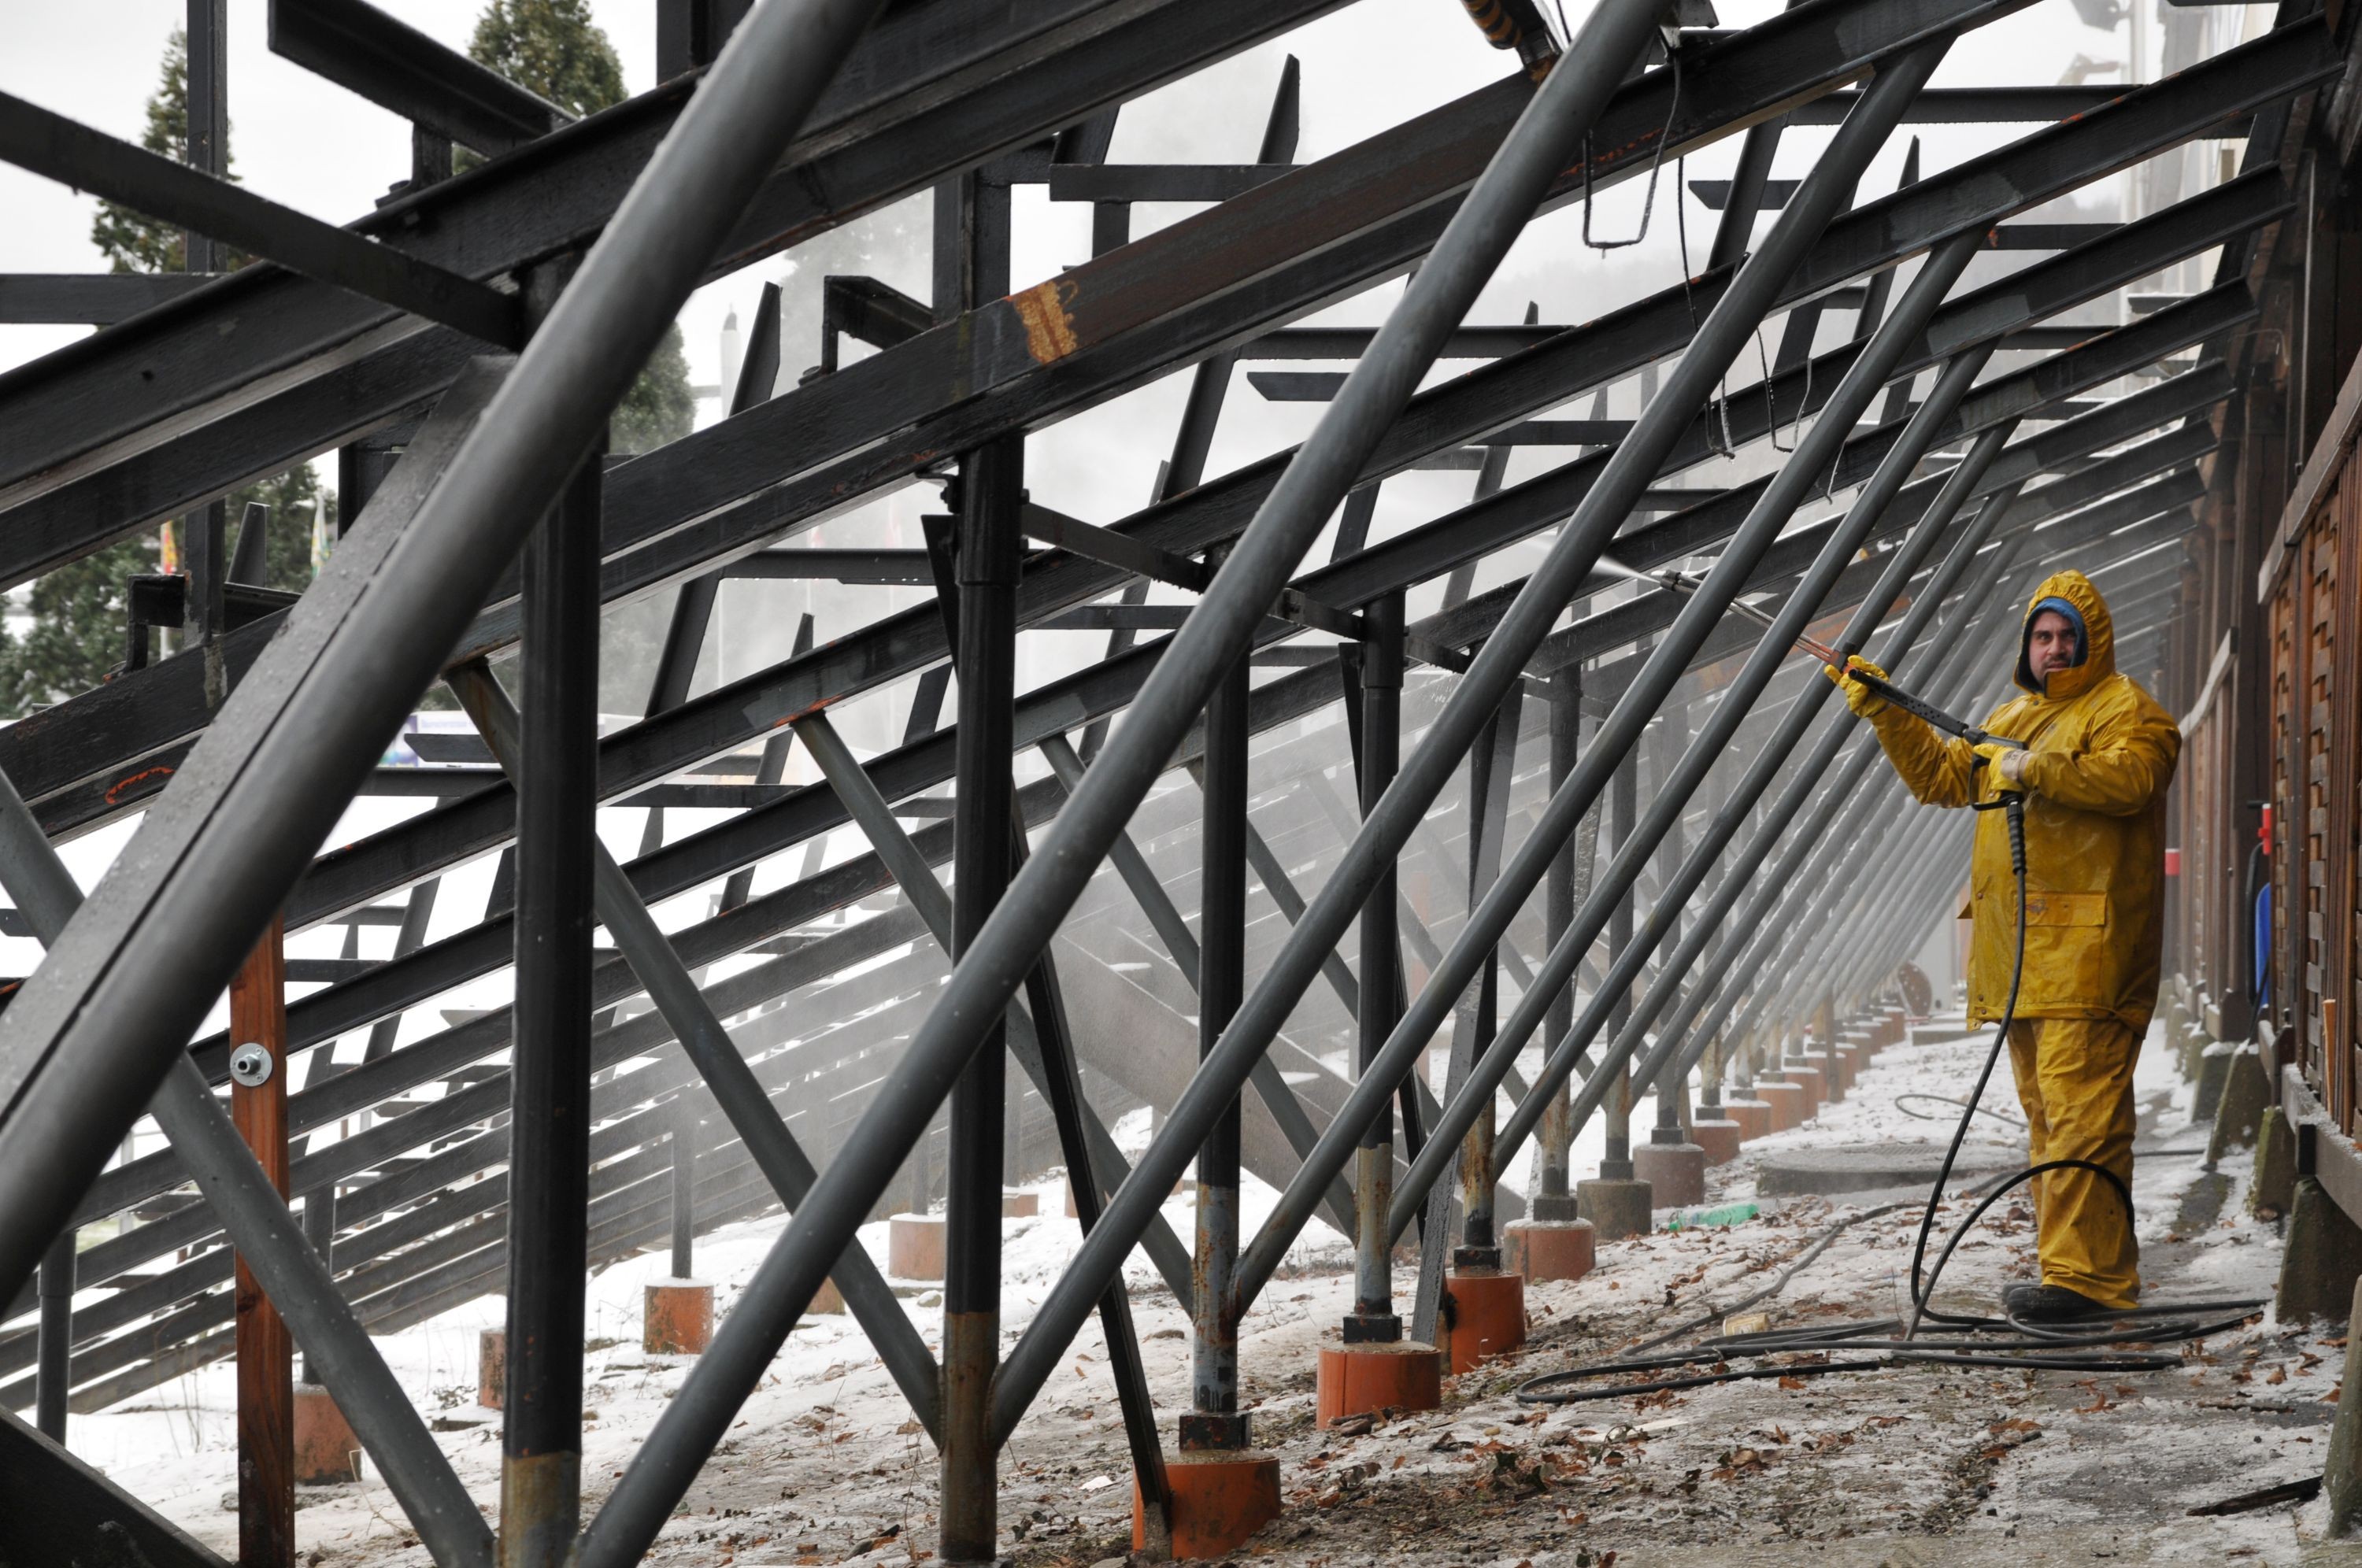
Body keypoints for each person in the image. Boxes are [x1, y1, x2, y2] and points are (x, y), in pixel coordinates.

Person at [1826, 570, 2179, 1322]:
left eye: (2066, 637)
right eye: (2041, 636)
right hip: (2026, 961)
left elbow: (2132, 781)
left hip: (2089, 960)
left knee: (2083, 1119)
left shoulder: (2129, 713)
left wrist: (2035, 767)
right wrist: (1886, 711)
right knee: (2053, 1121)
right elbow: (1943, 780)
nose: (2053, 649)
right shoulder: (2010, 715)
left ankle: (2086, 1282)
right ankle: (2082, 1274)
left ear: (2092, 643)